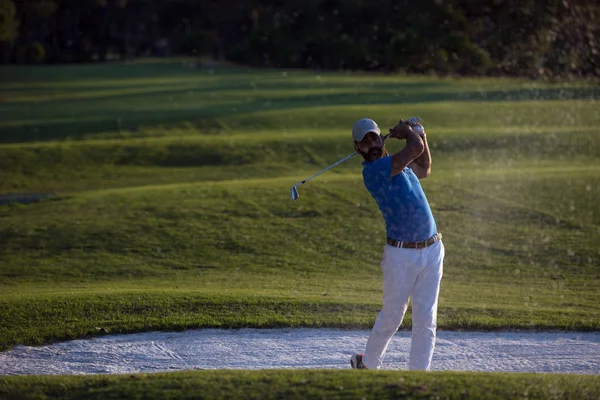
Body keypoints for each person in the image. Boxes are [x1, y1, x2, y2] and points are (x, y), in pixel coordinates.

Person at [349, 117, 445, 371]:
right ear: (357, 149)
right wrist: (408, 133)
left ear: (382, 139)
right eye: (365, 141)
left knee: (426, 320)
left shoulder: (400, 165)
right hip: (400, 255)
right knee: (393, 316)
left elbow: (424, 167)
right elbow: (413, 150)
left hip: (433, 250)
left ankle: (418, 379)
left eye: (374, 137)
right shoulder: (374, 172)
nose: (372, 143)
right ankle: (368, 364)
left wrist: (421, 134)